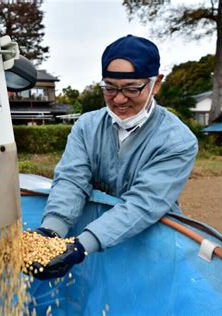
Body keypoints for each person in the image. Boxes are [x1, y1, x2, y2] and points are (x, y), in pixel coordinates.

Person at [29, 35, 198, 280]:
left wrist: (79, 246)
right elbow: (72, 180)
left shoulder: (177, 140)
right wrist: (51, 232)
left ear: (156, 83)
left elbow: (143, 203)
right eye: (110, 88)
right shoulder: (87, 126)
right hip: (91, 247)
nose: (119, 99)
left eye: (131, 89)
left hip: (146, 244)